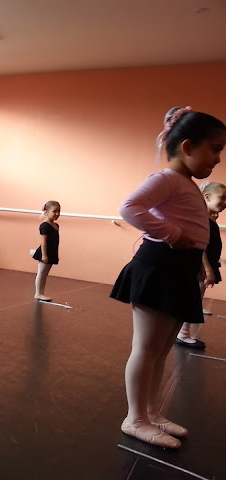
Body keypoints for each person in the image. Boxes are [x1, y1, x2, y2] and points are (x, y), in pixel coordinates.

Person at [110, 106, 226, 449]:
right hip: (158, 267)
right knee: (146, 349)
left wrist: (196, 261)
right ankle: (134, 419)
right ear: (187, 146)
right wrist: (173, 234)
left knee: (161, 350)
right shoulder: (166, 179)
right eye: (215, 149)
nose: (218, 158)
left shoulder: (186, 184)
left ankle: (150, 412)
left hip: (179, 271)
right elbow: (129, 208)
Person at [176, 181, 226, 349]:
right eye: (222, 197)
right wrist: (207, 268)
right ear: (207, 197)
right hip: (200, 267)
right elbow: (200, 245)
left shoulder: (208, 218)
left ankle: (183, 332)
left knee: (195, 297)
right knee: (193, 299)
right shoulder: (201, 218)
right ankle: (182, 334)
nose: (225, 202)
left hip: (204, 266)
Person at [32, 201, 61, 301]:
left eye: (59, 211)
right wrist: (44, 255)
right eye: (54, 211)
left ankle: (41, 292)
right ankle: (38, 293)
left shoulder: (56, 225)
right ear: (46, 212)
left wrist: (55, 253)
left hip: (52, 252)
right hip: (45, 252)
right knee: (41, 273)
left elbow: (55, 241)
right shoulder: (44, 226)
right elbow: (43, 242)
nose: (57, 214)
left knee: (45, 274)